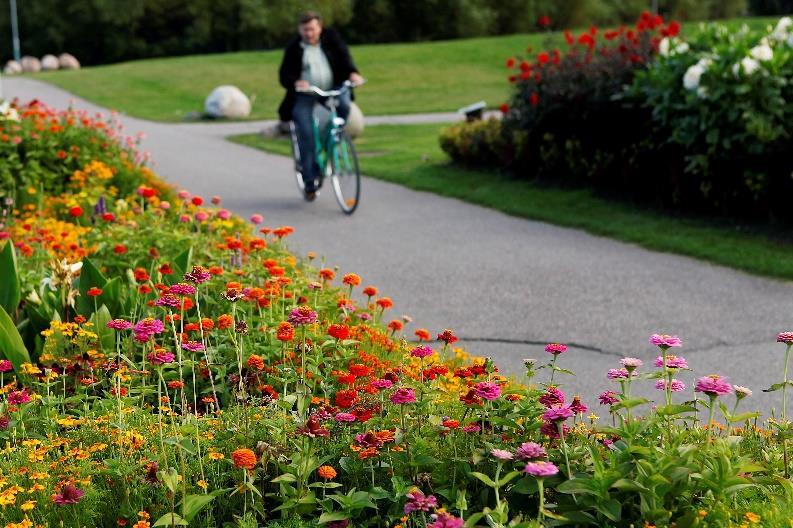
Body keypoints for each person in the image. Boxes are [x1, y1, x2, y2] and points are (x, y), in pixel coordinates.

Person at [278, 11, 364, 201]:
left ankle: (330, 138)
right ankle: (310, 179)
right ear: (300, 29)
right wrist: (296, 83)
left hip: (331, 89)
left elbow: (345, 58)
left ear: (320, 27)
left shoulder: (332, 39)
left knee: (344, 105)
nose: (309, 33)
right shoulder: (294, 47)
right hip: (305, 95)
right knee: (306, 132)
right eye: (305, 29)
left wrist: (353, 74)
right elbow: (285, 75)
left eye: (312, 29)